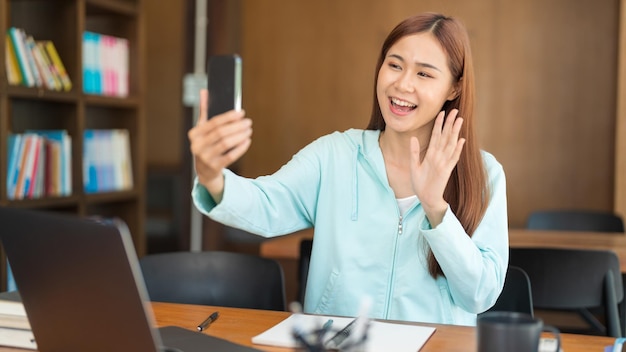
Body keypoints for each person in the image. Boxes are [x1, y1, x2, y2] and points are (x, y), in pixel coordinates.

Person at [188, 12, 508, 326]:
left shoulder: (484, 175)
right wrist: (210, 174)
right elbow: (264, 204)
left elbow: (479, 295)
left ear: (454, 88)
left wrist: (436, 207)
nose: (402, 84)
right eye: (394, 65)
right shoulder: (335, 156)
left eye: (424, 74)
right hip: (339, 344)